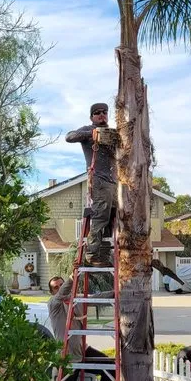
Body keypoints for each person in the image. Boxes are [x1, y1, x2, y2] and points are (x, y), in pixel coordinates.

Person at [47, 275, 114, 381]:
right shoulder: (54, 304)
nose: (60, 289)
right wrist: (72, 278)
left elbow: (95, 298)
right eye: (56, 287)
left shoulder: (75, 302)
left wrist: (115, 292)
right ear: (53, 292)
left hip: (83, 350)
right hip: (67, 356)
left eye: (61, 285)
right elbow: (62, 293)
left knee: (111, 368)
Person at [65, 103, 117, 266]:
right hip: (99, 180)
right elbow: (69, 136)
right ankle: (92, 253)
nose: (101, 115)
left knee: (111, 216)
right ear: (91, 117)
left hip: (113, 182)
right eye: (97, 113)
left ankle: (103, 254)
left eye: (104, 112)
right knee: (101, 215)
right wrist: (90, 133)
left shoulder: (112, 134)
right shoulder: (88, 130)